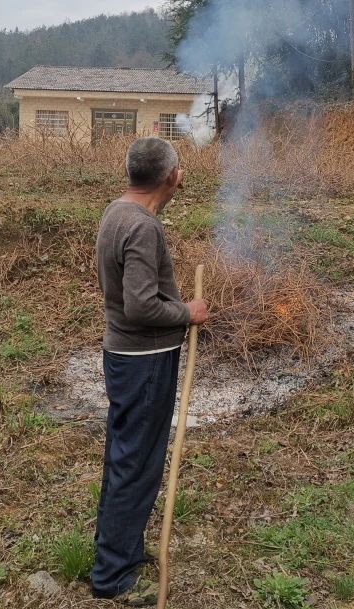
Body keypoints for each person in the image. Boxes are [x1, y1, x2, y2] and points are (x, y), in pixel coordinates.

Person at [91, 137, 208, 603]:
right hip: (143, 361)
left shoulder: (115, 212)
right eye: (180, 169)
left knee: (127, 458)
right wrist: (187, 312)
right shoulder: (142, 227)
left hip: (127, 357)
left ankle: (122, 552)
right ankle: (113, 574)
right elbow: (140, 305)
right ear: (171, 177)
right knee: (136, 465)